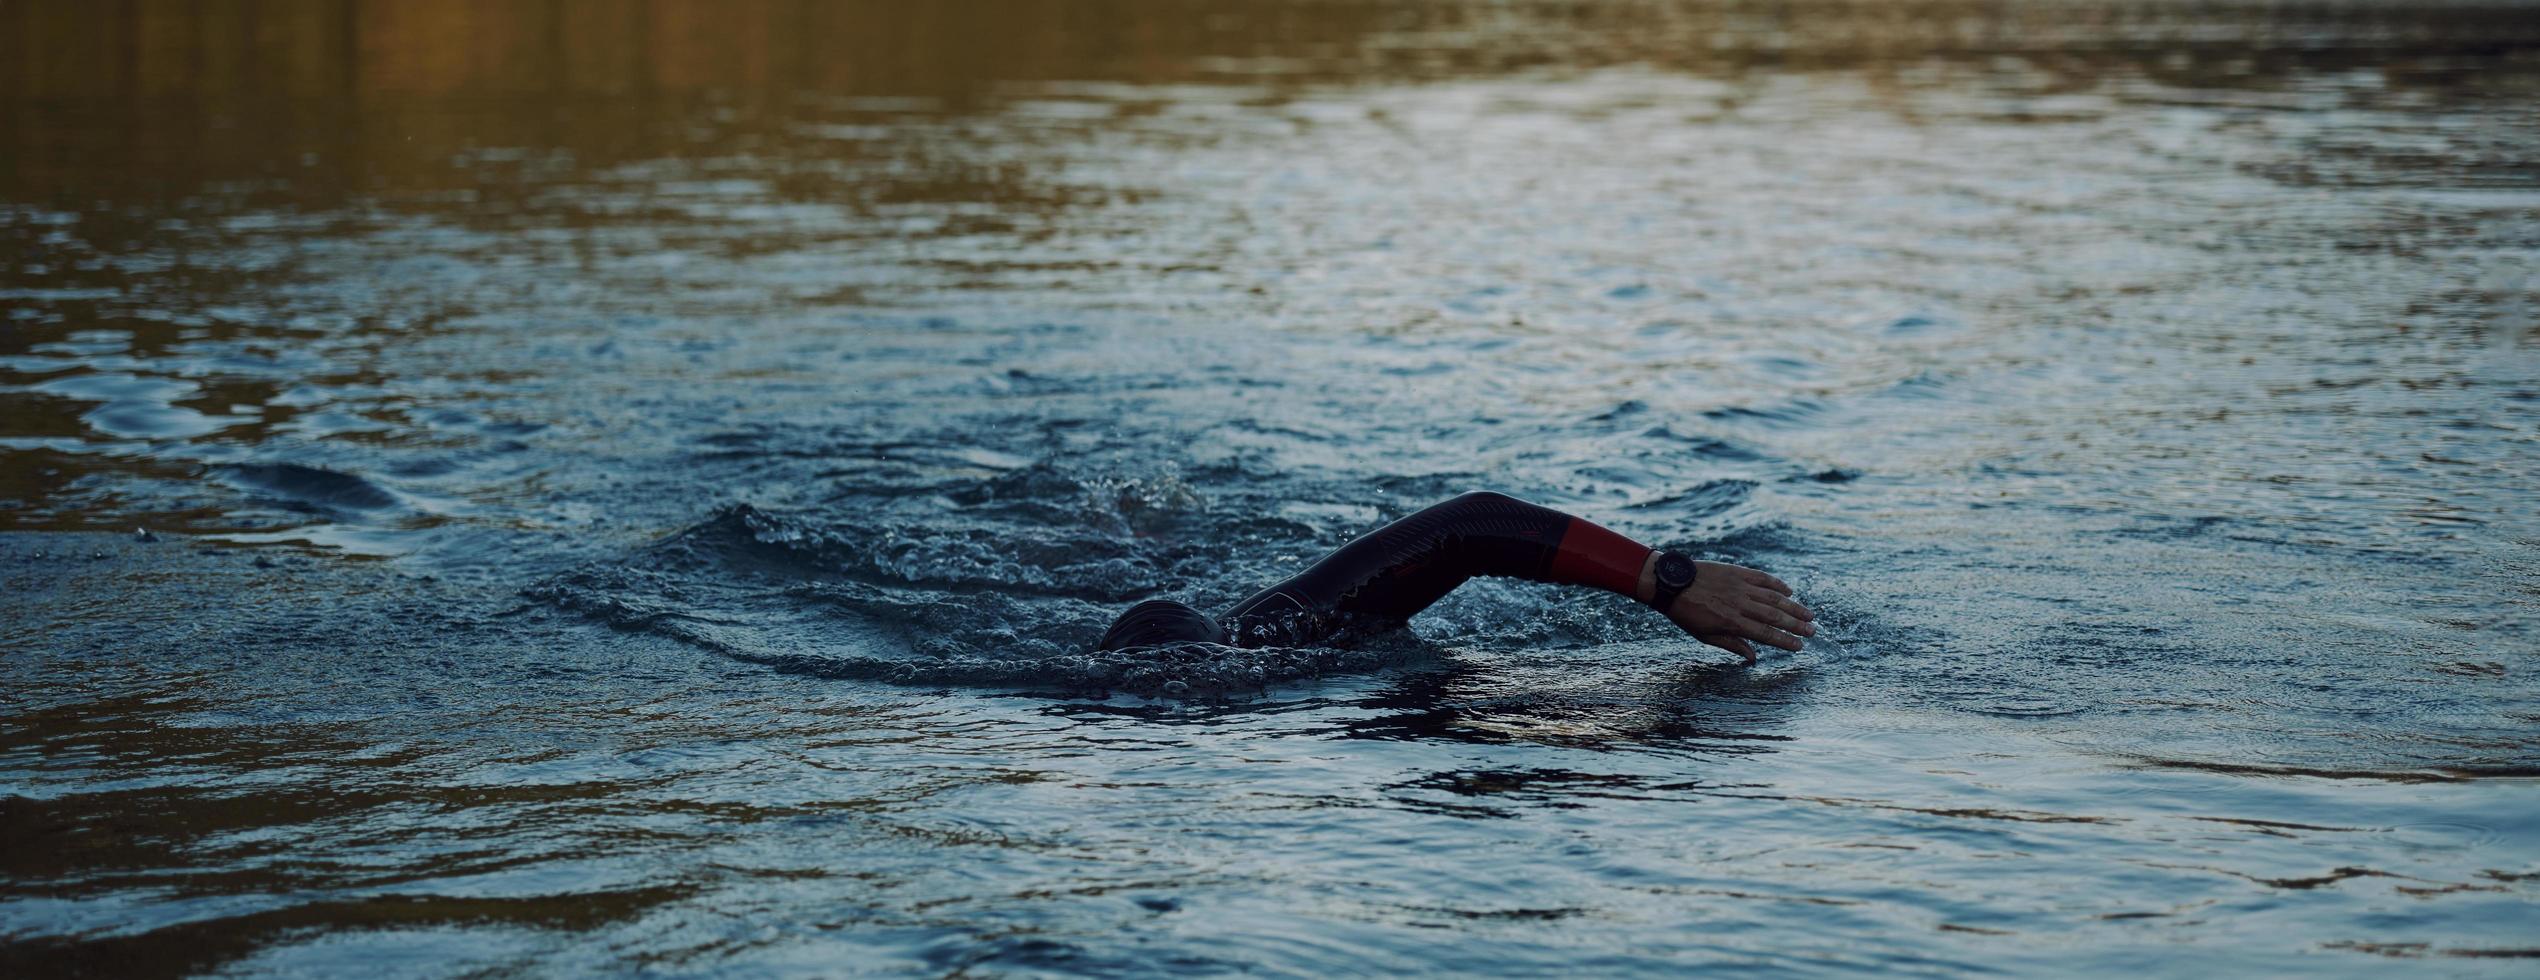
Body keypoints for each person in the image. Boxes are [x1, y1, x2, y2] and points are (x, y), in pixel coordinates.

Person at [1098, 490, 1813, 662]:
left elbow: (1469, 525)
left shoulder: (1280, 633)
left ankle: (1135, 522)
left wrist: (1668, 578)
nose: (1188, 700)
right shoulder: (1284, 652)